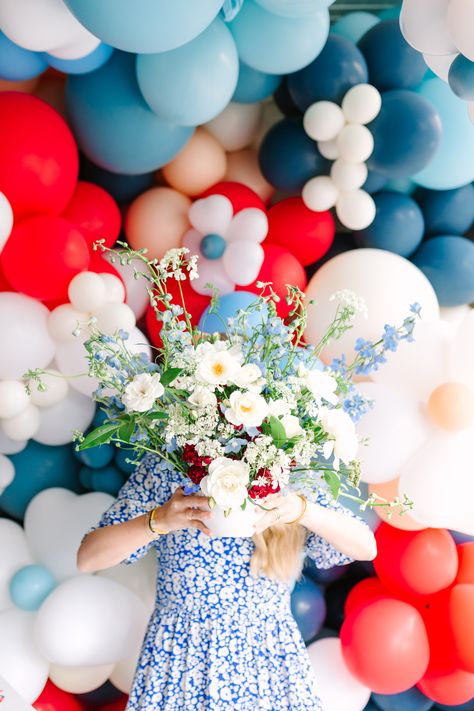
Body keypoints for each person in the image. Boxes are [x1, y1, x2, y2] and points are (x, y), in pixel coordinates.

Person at [78, 454, 376, 710]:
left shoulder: (290, 469)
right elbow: (88, 558)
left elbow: (366, 547)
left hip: (266, 661)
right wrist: (159, 520)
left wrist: (303, 510)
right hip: (181, 657)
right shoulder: (169, 464)